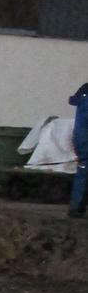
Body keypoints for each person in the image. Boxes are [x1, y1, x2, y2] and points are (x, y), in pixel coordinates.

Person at [69, 82, 88, 218]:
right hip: (85, 139)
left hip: (82, 138)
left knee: (83, 171)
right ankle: (77, 207)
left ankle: (77, 207)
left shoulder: (83, 91)